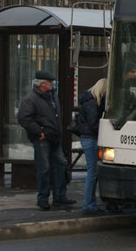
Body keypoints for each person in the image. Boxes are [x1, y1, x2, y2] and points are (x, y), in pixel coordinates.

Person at [17, 70, 75, 211]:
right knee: (44, 169)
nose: (52, 84)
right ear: (42, 84)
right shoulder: (31, 99)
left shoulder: (52, 95)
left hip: (54, 137)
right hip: (42, 139)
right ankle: (43, 198)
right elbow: (24, 118)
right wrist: (39, 131)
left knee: (60, 166)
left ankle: (60, 196)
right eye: (49, 82)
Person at [78, 78, 108, 215]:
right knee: (92, 173)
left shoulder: (89, 100)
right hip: (91, 139)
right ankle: (88, 205)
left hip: (87, 138)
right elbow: (94, 124)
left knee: (93, 172)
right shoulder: (92, 103)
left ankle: (90, 204)